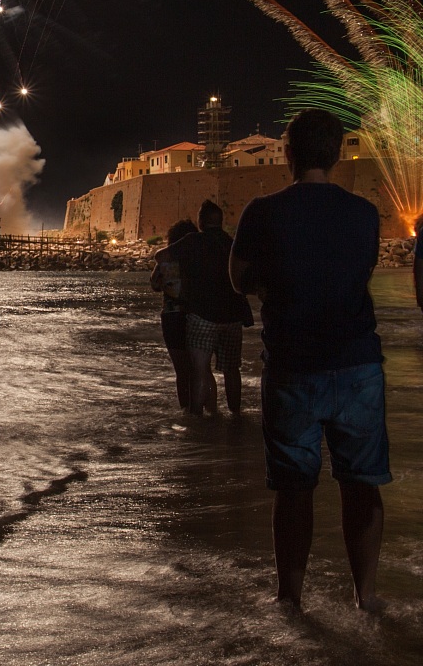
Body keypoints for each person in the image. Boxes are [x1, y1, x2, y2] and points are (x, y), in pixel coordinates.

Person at [230, 108, 390, 611]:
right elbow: (358, 271)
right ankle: (365, 599)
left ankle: (290, 601)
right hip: (358, 366)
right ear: (339, 154)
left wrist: (272, 283)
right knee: (361, 486)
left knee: (295, 489)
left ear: (289, 155)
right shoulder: (365, 214)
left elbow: (239, 278)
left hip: (293, 367)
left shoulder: (262, 210)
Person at [154, 200, 252, 415]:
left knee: (199, 370)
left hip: (203, 315)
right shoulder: (231, 243)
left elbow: (160, 258)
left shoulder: (193, 242)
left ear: (201, 221)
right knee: (232, 370)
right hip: (232, 315)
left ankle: (197, 420)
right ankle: (235, 416)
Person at [150, 219, 216, 411]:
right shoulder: (201, 261)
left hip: (172, 318)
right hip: (200, 316)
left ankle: (188, 414)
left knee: (182, 371)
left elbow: (154, 284)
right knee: (203, 369)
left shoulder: (166, 262)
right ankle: (212, 412)